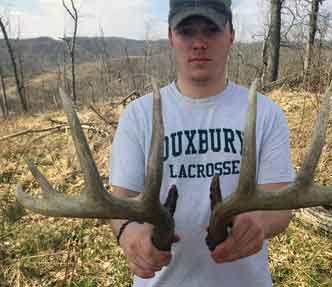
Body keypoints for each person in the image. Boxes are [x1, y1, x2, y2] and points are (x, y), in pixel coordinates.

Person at [108, 0, 295, 286]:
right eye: (186, 32)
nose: (199, 43)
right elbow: (121, 202)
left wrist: (259, 223)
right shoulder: (139, 115)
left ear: (231, 34)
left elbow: (281, 205)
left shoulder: (263, 112)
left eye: (211, 30)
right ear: (171, 37)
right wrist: (128, 232)